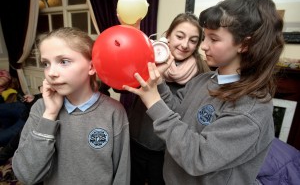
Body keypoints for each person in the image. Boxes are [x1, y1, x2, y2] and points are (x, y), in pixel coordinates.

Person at [123, 0, 284, 184]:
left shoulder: (251, 108)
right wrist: (158, 83)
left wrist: (153, 101)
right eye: (205, 38)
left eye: (214, 39)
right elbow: (176, 111)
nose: (204, 46)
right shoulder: (204, 80)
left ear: (244, 44)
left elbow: (197, 157)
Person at [12, 27, 130, 185]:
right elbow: (26, 175)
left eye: (64, 61)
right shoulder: (41, 109)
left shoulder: (114, 112)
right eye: (46, 63)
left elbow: (122, 171)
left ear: (91, 67)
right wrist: (50, 115)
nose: (51, 72)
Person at [128, 12, 210, 185]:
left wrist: (160, 81)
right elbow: (122, 86)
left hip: (166, 152)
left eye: (193, 40)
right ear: (168, 36)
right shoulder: (148, 59)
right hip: (134, 142)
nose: (185, 44)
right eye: (179, 36)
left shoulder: (200, 76)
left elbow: (179, 113)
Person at [0, 86, 43, 165]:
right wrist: (34, 97)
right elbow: (41, 96)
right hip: (23, 107)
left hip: (27, 119)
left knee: (2, 138)